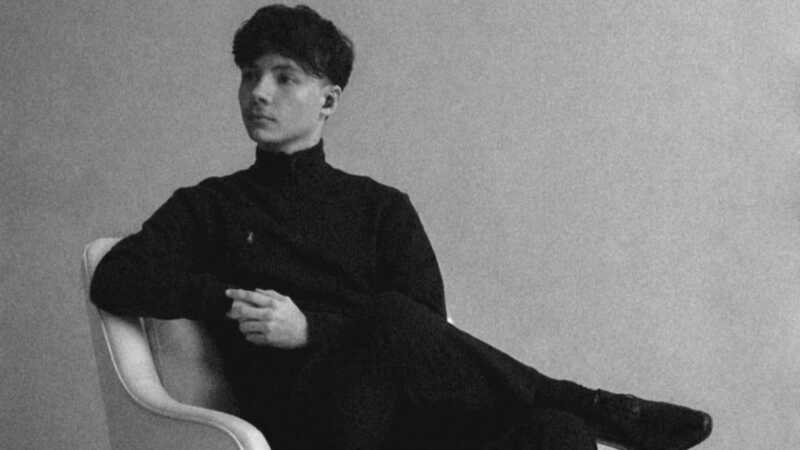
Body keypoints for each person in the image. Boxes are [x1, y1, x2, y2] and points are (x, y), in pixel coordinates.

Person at [90, 4, 713, 450]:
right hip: (307, 427)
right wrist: (228, 302)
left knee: (557, 435)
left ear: (328, 100)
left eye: (284, 77)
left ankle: (576, 410)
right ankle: (595, 402)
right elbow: (116, 276)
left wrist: (312, 328)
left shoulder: (381, 207)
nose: (259, 92)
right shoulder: (212, 205)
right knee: (390, 317)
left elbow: (427, 334)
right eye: (250, 74)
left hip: (408, 423)